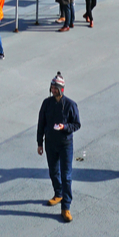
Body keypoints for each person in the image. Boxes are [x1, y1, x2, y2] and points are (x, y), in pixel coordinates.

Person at [36, 72, 81, 223]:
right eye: (52, 87)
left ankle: (65, 207)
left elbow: (77, 124)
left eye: (55, 87)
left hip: (65, 145)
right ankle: (58, 193)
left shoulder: (70, 105)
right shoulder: (46, 103)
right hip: (50, 144)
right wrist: (39, 143)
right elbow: (41, 123)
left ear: (61, 89)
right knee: (53, 171)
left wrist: (65, 127)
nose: (53, 89)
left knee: (66, 176)